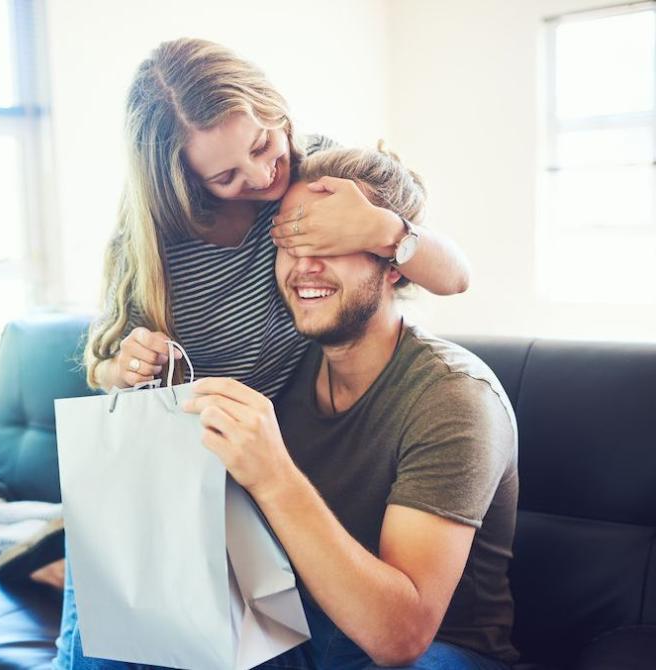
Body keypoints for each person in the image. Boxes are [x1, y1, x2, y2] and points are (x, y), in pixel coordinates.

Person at [55, 37, 474, 669]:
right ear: (182, 182)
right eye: (224, 176)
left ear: (273, 110)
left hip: (253, 491)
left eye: (260, 146)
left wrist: (383, 231)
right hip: (165, 482)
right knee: (101, 650)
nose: (261, 179)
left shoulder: (314, 173)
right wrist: (124, 365)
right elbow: (102, 361)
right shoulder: (148, 238)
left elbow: (455, 276)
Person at [179, 144, 519, 669]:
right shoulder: (283, 369)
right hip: (301, 627)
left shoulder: (454, 396)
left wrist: (273, 476)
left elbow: (399, 637)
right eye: (291, 241)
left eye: (330, 242)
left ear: (396, 267)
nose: (305, 265)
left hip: (435, 651)